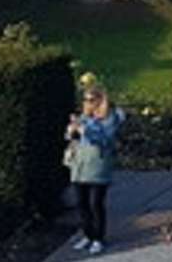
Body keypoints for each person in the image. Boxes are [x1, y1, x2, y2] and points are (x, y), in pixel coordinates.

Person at [65, 84, 126, 255]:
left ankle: (98, 238)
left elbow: (105, 140)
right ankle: (88, 234)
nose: (87, 103)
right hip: (80, 166)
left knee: (95, 203)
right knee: (81, 202)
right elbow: (74, 140)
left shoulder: (110, 119)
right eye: (85, 100)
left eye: (91, 100)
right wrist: (72, 131)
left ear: (100, 100)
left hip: (98, 167)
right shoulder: (83, 117)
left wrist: (84, 130)